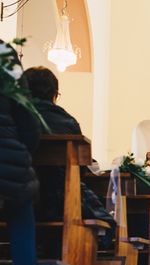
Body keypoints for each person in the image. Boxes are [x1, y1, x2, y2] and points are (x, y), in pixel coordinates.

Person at [24, 66, 116, 249]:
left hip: (17, 198)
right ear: (54, 95)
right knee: (102, 217)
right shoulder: (67, 122)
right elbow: (79, 172)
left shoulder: (14, 117)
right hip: (56, 202)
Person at [0, 41, 42, 265]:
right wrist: (24, 149)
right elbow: (27, 115)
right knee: (21, 203)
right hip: (6, 150)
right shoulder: (4, 55)